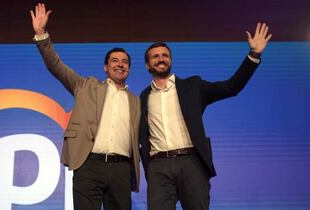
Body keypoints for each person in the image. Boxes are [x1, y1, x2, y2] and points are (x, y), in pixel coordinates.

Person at [139, 23, 272, 210]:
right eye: (156, 56)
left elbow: (231, 87)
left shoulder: (193, 86)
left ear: (170, 60)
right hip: (158, 166)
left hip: (191, 162)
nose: (161, 59)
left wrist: (254, 55)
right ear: (148, 64)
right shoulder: (143, 97)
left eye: (165, 55)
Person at [30, 3, 141, 210]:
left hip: (121, 169)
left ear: (129, 69)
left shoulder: (136, 101)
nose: (120, 64)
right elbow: (57, 66)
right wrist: (41, 34)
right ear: (106, 68)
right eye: (115, 61)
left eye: (125, 62)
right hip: (89, 164)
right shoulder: (85, 86)